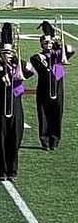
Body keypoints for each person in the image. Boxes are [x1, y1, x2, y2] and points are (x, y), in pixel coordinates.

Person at [0, 23, 35, 181]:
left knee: (15, 138)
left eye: (9, 52)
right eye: (4, 53)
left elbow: (30, 71)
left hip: (15, 104)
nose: (7, 55)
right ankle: (2, 170)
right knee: (1, 138)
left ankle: (13, 170)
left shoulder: (17, 65)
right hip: (1, 104)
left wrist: (18, 59)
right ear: (0, 53)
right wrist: (1, 72)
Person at [29, 21, 74, 151]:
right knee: (43, 115)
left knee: (57, 114)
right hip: (44, 90)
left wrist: (59, 44)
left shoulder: (59, 54)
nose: (48, 45)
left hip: (58, 89)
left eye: (49, 43)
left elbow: (71, 49)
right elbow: (40, 65)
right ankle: (45, 141)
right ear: (41, 44)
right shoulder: (37, 57)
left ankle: (54, 140)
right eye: (45, 43)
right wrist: (53, 54)